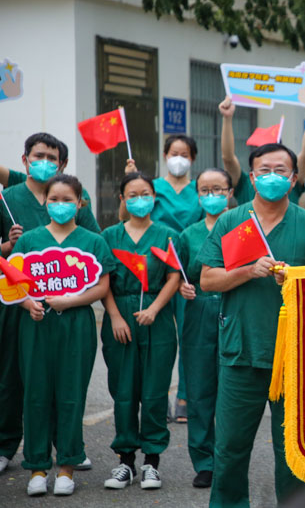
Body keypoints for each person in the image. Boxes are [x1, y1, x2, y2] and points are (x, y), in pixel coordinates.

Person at [199, 143, 305, 507]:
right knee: (230, 448)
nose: (272, 177)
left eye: (280, 171)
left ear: (294, 178)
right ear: (252, 177)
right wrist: (246, 272)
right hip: (240, 351)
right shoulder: (232, 220)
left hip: (294, 357)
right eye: (264, 171)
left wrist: (296, 280)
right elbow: (208, 280)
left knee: (294, 453)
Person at [0, 133, 100, 476]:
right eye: (38, 155)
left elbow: (95, 252)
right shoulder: (8, 198)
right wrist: (6, 246)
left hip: (64, 307)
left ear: (63, 165)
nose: (44, 161)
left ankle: (69, 447)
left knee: (63, 378)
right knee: (14, 375)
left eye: (52, 157)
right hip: (17, 303)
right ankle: (6, 444)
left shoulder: (74, 198)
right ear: (25, 159)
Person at [16, 174, 114, 496]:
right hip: (37, 324)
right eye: (54, 199)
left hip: (76, 325)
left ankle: (67, 466)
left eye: (67, 200)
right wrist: (30, 303)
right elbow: (13, 283)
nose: (60, 205)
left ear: (80, 203)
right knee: (36, 394)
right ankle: (37, 467)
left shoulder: (93, 241)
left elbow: (102, 286)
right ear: (44, 201)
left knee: (71, 394)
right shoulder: (29, 241)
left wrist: (71, 300)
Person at [101, 172, 181, 490]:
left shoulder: (166, 235)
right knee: (124, 392)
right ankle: (125, 462)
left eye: (145, 193)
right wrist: (116, 317)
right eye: (132, 194)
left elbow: (175, 276)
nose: (139, 199)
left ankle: (151, 462)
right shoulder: (108, 236)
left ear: (154, 197)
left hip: (156, 319)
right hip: (119, 317)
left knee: (154, 391)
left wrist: (154, 309)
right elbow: (102, 280)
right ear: (122, 199)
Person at [124, 133, 204, 422]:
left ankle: (184, 395)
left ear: (192, 158)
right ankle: (154, 397)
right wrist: (130, 180)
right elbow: (128, 214)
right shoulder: (152, 187)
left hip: (189, 267)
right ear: (165, 155)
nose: (178, 159)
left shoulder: (200, 188)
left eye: (184, 153)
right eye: (173, 153)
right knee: (155, 334)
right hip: (155, 267)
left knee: (187, 333)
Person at [177, 167, 233, 489]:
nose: (211, 195)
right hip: (198, 311)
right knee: (199, 390)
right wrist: (184, 289)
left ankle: (227, 460)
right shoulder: (188, 234)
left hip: (232, 308)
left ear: (229, 192)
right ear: (197, 195)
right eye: (205, 190)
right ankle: (204, 462)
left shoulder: (241, 227)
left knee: (231, 389)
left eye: (218, 189)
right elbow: (180, 275)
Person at [220, 94, 305, 206]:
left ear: (294, 178)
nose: (272, 175)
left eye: (279, 168)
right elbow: (228, 158)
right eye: (265, 168)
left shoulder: (290, 181)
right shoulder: (244, 184)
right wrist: (227, 118)